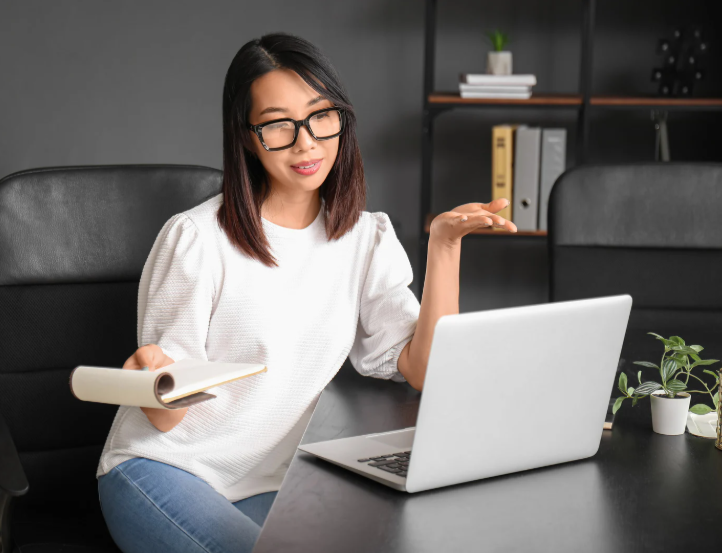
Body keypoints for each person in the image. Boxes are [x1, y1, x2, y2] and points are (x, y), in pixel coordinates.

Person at [96, 32, 517, 553]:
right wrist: (151, 378)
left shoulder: (366, 239)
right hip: (164, 471)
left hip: (267, 482)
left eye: (321, 115)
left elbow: (424, 370)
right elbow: (166, 415)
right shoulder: (196, 239)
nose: (306, 142)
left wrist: (444, 247)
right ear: (248, 136)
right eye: (277, 124)